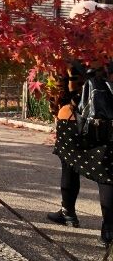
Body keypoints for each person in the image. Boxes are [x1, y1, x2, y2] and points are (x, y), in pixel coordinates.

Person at [48, 61, 113, 246]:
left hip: (73, 115)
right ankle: (108, 231)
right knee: (107, 172)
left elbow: (58, 86)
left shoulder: (70, 48)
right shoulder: (106, 47)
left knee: (69, 163)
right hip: (107, 119)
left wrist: (58, 109)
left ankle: (68, 212)